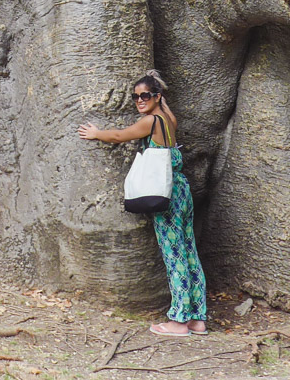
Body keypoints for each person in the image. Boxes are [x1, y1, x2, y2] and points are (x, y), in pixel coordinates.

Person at [78, 70, 209, 336]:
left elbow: (118, 136)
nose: (139, 101)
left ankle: (179, 321)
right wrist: (158, 94)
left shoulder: (151, 121)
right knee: (188, 251)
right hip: (182, 191)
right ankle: (197, 318)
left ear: (157, 97)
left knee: (174, 255)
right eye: (136, 97)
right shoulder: (168, 118)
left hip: (167, 193)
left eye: (145, 96)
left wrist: (96, 133)